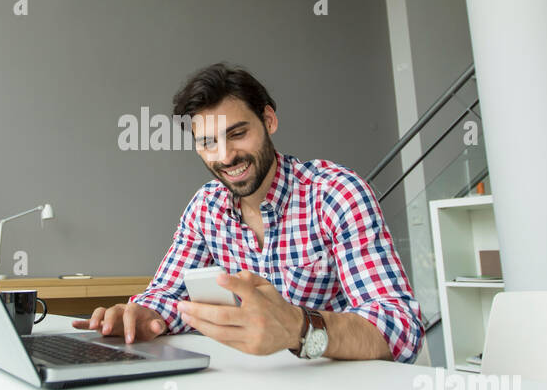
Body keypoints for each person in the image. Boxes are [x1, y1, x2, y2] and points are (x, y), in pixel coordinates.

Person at [72, 62, 424, 361]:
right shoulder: (205, 209)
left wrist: (299, 329)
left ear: (268, 120)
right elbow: (166, 295)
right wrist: (140, 315)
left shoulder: (335, 194)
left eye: (237, 134)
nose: (225, 157)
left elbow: (401, 327)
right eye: (208, 142)